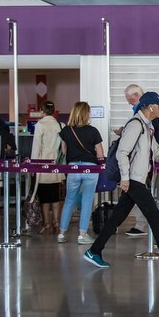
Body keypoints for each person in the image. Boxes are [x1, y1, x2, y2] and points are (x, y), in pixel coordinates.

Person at [84, 92, 159, 269]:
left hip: (137, 180)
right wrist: (125, 178)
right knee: (155, 217)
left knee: (117, 218)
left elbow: (158, 154)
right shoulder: (135, 125)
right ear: (150, 107)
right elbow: (122, 153)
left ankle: (94, 251)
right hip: (134, 181)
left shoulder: (147, 128)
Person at [117, 83, 159, 237]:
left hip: (145, 164)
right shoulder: (140, 117)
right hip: (140, 166)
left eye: (130, 99)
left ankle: (142, 225)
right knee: (133, 201)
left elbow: (150, 140)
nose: (129, 102)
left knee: (143, 199)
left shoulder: (146, 116)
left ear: (137, 96)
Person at [57, 101, 104, 244]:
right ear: (86, 113)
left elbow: (64, 151)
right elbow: (100, 154)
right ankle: (82, 235)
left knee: (69, 200)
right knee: (87, 201)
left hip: (73, 169)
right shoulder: (93, 131)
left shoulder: (66, 131)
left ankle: (61, 233)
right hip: (91, 169)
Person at [30, 101, 64, 234]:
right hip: (56, 164)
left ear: (42, 111)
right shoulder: (60, 125)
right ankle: (56, 221)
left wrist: (33, 165)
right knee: (55, 196)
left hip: (42, 164)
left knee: (44, 198)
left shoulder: (40, 125)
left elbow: (36, 146)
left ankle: (47, 223)